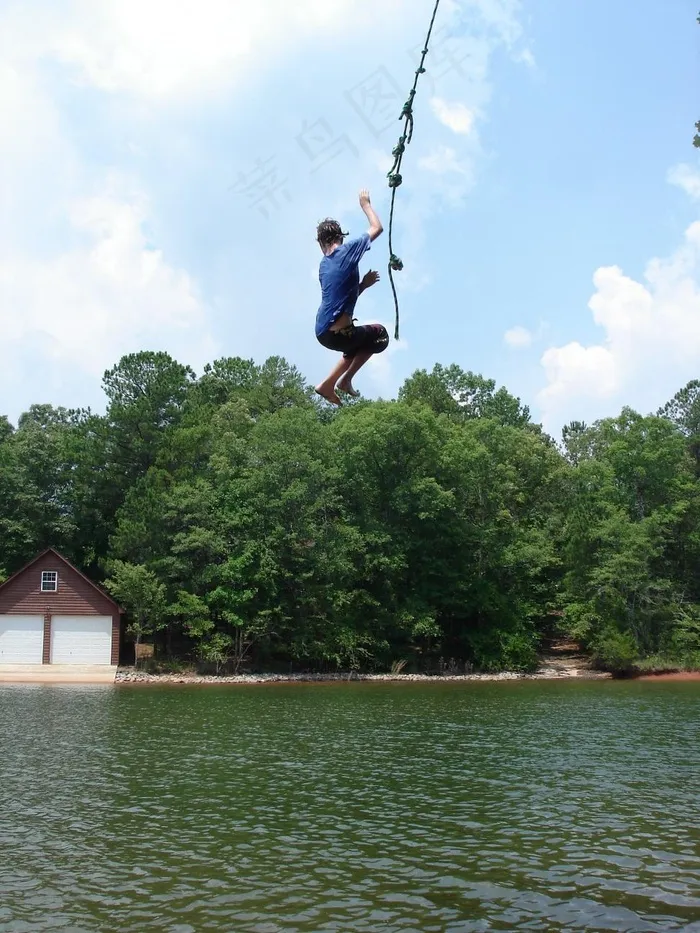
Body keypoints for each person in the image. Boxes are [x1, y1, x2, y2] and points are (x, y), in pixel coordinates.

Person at [314, 189, 389, 406]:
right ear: (340, 237)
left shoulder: (323, 265)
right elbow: (377, 228)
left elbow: (341, 297)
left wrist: (362, 286)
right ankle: (344, 380)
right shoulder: (347, 251)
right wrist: (365, 204)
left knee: (357, 342)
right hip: (339, 334)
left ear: (321, 243)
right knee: (379, 335)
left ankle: (328, 384)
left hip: (323, 331)